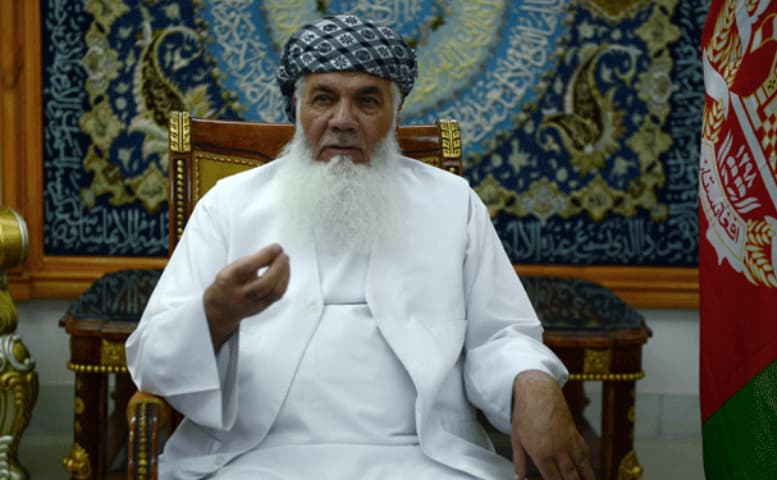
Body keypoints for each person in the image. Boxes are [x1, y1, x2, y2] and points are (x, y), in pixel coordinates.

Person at [126, 14, 593, 480]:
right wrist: (214, 314)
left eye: (367, 101)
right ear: (297, 108)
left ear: (394, 115)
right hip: (252, 456)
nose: (343, 120)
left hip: (424, 458)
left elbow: (499, 335)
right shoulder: (229, 206)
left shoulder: (452, 204)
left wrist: (532, 381)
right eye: (324, 98)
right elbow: (151, 358)